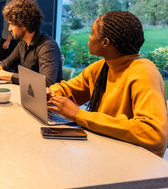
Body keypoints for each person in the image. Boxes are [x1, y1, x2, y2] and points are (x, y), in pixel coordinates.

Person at [47, 11, 168, 157]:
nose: (88, 38)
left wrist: (80, 115)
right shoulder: (102, 67)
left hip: (133, 163)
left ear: (105, 42)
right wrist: (49, 92)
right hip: (105, 151)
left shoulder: (144, 73)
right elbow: (69, 89)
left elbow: (153, 133)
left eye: (92, 33)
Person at [0, 0, 62, 86]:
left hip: (48, 98)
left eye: (12, 24)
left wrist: (9, 76)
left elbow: (46, 82)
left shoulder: (48, 47)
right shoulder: (23, 43)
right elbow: (7, 62)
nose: (9, 28)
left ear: (24, 24)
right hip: (30, 95)